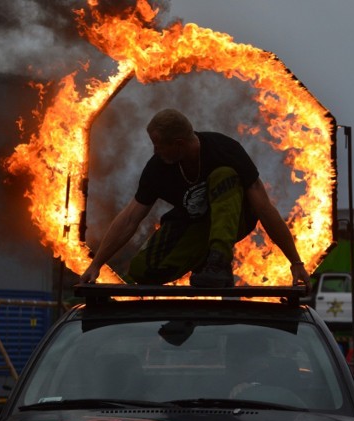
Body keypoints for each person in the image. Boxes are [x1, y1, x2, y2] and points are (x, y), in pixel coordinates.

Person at [80, 109, 310, 288]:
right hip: (193, 225)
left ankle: (218, 261)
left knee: (224, 175)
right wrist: (96, 264)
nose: (155, 151)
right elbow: (130, 218)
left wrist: (296, 262)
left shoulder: (225, 151)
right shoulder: (158, 168)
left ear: (178, 143)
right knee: (142, 270)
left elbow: (264, 209)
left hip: (233, 219)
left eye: (159, 145)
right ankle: (204, 264)